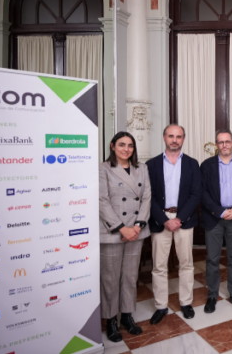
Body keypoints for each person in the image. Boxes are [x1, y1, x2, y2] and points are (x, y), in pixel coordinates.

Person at [146, 125, 202, 324]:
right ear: (164, 137)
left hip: (183, 221)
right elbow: (148, 196)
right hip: (160, 220)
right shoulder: (151, 165)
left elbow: (196, 194)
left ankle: (186, 302)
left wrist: (179, 218)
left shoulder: (192, 164)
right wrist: (164, 219)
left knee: (186, 264)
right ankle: (161, 306)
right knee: (159, 267)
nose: (174, 140)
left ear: (183, 139)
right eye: (171, 136)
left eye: (178, 136)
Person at [99, 132, 151, 342]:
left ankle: (127, 316)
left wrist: (137, 226)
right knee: (110, 279)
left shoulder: (142, 168)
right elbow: (101, 200)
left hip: (136, 232)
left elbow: (147, 196)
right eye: (122, 145)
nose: (126, 149)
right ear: (112, 146)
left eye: (130, 145)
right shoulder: (103, 169)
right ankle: (111, 320)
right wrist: (122, 228)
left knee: (130, 276)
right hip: (113, 231)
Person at [200, 129, 232, 313]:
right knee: (212, 259)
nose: (224, 145)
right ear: (217, 145)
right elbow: (203, 193)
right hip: (214, 218)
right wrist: (221, 212)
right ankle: (212, 295)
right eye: (221, 142)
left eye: (227, 141)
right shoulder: (206, 165)